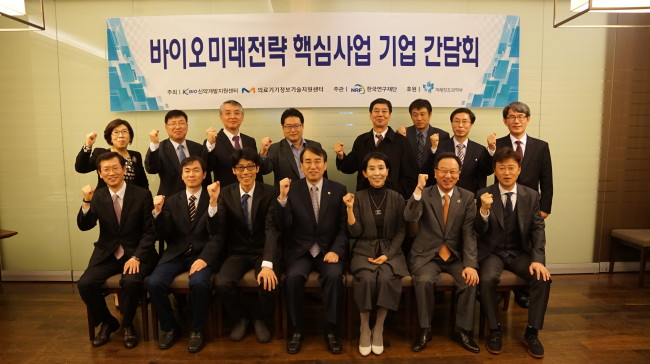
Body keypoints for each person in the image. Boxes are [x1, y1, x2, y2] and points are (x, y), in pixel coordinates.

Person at [475, 147, 551, 359]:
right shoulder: (484, 194)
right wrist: (483, 210)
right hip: (492, 253)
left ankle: (532, 332)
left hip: (519, 253)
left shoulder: (531, 195)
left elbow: (538, 230)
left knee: (542, 277)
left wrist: (538, 260)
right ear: (494, 170)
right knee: (488, 279)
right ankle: (495, 329)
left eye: (511, 168)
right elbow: (477, 231)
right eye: (502, 168)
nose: (506, 172)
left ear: (519, 170)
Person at [77, 152, 158, 349]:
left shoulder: (141, 194)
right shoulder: (98, 196)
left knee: (130, 282)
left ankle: (128, 324)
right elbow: (85, 225)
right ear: (100, 173)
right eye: (106, 169)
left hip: (137, 252)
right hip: (108, 253)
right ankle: (108, 322)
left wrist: (137, 256)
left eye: (115, 168)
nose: (111, 173)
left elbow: (150, 232)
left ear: (124, 169)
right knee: (85, 284)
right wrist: (86, 202)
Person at [405, 152, 480, 354]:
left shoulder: (467, 197)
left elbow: (470, 234)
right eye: (444, 171)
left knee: (469, 281)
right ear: (435, 173)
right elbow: (410, 216)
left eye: (453, 172)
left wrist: (471, 265)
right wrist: (418, 189)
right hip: (427, 255)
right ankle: (425, 329)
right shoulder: (425, 193)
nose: (448, 176)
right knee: (424, 280)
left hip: (455, 256)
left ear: (459, 174)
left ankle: (462, 330)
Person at [277, 146, 348, 355]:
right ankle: (297, 329)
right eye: (307, 161)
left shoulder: (338, 189)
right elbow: (282, 226)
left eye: (318, 161)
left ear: (325, 165)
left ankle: (332, 330)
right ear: (301, 165)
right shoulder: (292, 189)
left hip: (328, 251)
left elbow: (343, 228)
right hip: (301, 251)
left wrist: (336, 250)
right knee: (293, 278)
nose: (313, 166)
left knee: (335, 277)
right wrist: (281, 199)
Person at [147, 156, 219, 353]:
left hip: (202, 254)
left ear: (204, 175)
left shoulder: (214, 198)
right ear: (181, 175)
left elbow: (218, 234)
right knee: (154, 283)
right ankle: (170, 327)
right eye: (187, 171)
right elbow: (164, 234)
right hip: (176, 254)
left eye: (196, 170)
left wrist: (205, 258)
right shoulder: (171, 200)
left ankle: (197, 330)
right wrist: (158, 213)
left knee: (199, 283)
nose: (191, 174)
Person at [486, 101, 553, 308]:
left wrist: (545, 207)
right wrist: (490, 150)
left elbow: (547, 179)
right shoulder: (498, 144)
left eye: (521, 117)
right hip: (502, 205)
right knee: (501, 245)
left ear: (528, 119)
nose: (516, 121)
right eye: (512, 117)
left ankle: (523, 292)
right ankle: (496, 292)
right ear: (505, 121)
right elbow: (490, 174)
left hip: (530, 206)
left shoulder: (541, 146)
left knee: (529, 246)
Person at [342, 152, 408, 356]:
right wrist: (350, 210)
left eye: (381, 168)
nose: (377, 173)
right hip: (364, 248)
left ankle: (378, 327)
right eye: (371, 168)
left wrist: (387, 255)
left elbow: (401, 231)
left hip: (391, 250)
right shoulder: (358, 197)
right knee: (367, 278)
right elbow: (355, 232)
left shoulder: (397, 198)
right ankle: (364, 327)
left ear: (388, 171)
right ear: (364, 173)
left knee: (388, 278)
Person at [213, 147, 280, 343]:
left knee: (270, 283)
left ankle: (260, 318)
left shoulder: (269, 192)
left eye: (250, 167)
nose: (245, 172)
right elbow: (218, 228)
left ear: (257, 168)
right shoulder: (225, 194)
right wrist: (212, 204)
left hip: (262, 249)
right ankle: (241, 317)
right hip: (238, 251)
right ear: (233, 170)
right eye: (240, 168)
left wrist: (268, 264)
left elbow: (271, 230)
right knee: (222, 283)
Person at [334, 98, 417, 198]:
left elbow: (410, 176)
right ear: (370, 115)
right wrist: (341, 155)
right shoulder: (361, 140)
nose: (380, 114)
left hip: (392, 199)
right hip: (364, 198)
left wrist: (397, 196)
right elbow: (349, 168)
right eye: (376, 111)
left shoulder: (402, 142)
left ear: (389, 115)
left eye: (384, 111)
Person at [203, 100, 269, 187]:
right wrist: (210, 144)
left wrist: (263, 152)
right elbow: (207, 168)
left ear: (242, 117)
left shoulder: (250, 141)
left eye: (237, 113)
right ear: (221, 117)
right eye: (228, 113)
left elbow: (257, 169)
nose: (232, 117)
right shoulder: (213, 142)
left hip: (251, 192)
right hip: (225, 194)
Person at [145, 109, 211, 196]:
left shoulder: (198, 148)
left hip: (197, 199)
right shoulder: (159, 148)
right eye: (173, 123)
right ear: (166, 127)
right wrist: (154, 144)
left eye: (181, 123)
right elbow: (151, 169)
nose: (178, 127)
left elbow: (206, 174)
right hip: (168, 200)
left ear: (186, 126)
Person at [430, 108, 493, 193]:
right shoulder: (440, 147)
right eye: (456, 121)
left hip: (470, 197)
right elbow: (432, 170)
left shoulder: (480, 150)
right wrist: (434, 149)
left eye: (464, 122)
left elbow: (487, 171)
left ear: (471, 125)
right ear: (451, 124)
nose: (460, 125)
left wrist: (491, 149)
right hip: (443, 194)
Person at [259, 108, 327, 186]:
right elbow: (264, 170)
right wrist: (264, 151)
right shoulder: (275, 149)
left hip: (313, 194)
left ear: (302, 125)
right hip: (287, 195)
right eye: (288, 126)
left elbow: (323, 174)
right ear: (282, 127)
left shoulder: (315, 146)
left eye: (296, 126)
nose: (293, 130)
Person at [75, 119, 148, 189]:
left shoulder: (136, 155)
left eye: (124, 131)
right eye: (116, 132)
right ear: (110, 137)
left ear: (130, 136)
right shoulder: (101, 153)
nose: (121, 135)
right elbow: (81, 168)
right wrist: (88, 145)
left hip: (132, 199)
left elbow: (142, 183)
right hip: (106, 200)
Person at [396, 98, 451, 186]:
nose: (419, 118)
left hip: (432, 185)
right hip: (407, 186)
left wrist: (434, 148)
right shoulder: (403, 134)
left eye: (422, 114)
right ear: (411, 116)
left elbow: (443, 163)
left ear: (430, 115)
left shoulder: (442, 136)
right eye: (415, 115)